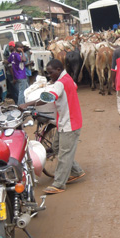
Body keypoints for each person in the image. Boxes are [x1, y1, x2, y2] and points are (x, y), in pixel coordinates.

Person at [20, 59, 85, 194]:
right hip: (65, 121)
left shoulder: (60, 83)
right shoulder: (67, 79)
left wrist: (28, 104)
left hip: (69, 123)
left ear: (58, 70)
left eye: (51, 73)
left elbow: (47, 98)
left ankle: (59, 184)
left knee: (64, 154)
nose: (50, 76)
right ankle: (76, 171)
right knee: (56, 148)